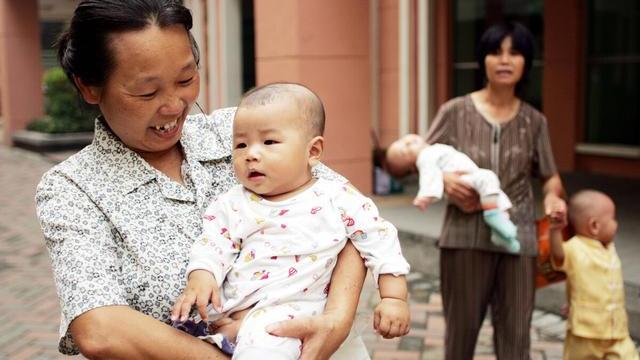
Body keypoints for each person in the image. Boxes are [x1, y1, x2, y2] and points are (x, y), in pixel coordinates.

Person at [35, 1, 369, 358]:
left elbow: (350, 215)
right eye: (147, 92)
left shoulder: (239, 133)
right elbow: (100, 329)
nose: (174, 105)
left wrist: (336, 319)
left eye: (186, 79)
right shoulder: (73, 189)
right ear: (89, 87)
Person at [172, 83, 411, 358]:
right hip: (246, 315)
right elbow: (212, 244)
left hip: (303, 312)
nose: (251, 153)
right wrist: (201, 277)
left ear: (313, 152)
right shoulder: (233, 203)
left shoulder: (337, 198)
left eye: (269, 142)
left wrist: (394, 297)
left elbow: (380, 240)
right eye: (240, 144)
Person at [425, 22, 568, 359]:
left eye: (515, 52)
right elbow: (422, 158)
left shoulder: (535, 121)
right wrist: (444, 182)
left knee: (517, 338)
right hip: (462, 238)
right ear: (483, 60)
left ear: (526, 62)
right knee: (460, 338)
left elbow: (550, 176)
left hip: (519, 240)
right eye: (496, 51)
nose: (505, 60)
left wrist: (552, 197)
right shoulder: (454, 111)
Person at [385, 133, 519, 253]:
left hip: (470, 176)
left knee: (498, 195)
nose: (408, 143)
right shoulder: (424, 157)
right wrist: (425, 196)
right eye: (404, 150)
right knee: (489, 178)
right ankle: (492, 215)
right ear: (413, 168)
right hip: (464, 179)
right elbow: (429, 177)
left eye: (402, 140)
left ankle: (501, 234)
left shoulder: (431, 149)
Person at [549, 190, 639, 360]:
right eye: (612, 219)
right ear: (594, 226)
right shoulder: (576, 248)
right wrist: (555, 231)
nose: (616, 224)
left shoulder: (609, 248)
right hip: (585, 332)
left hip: (616, 331)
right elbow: (558, 256)